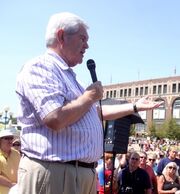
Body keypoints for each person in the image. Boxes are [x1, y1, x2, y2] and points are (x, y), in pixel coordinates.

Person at [15, 12, 163, 194]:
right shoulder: (40, 67)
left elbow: (95, 111)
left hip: (80, 174)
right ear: (61, 36)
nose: (87, 45)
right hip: (56, 174)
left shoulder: (70, 78)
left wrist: (135, 107)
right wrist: (89, 97)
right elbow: (55, 118)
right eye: (82, 38)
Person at [0, 128, 21, 194]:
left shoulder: (16, 153)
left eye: (11, 138)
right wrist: (11, 185)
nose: (10, 141)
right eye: (6, 138)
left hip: (18, 190)